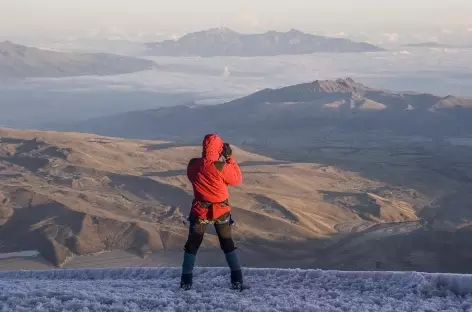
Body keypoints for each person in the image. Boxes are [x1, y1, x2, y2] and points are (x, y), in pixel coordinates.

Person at [180, 134, 244, 291]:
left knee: (192, 245)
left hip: (199, 211)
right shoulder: (221, 167)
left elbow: (193, 176)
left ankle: (186, 282)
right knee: (227, 243)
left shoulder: (193, 164)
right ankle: (237, 280)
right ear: (219, 148)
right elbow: (237, 179)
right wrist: (229, 157)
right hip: (220, 210)